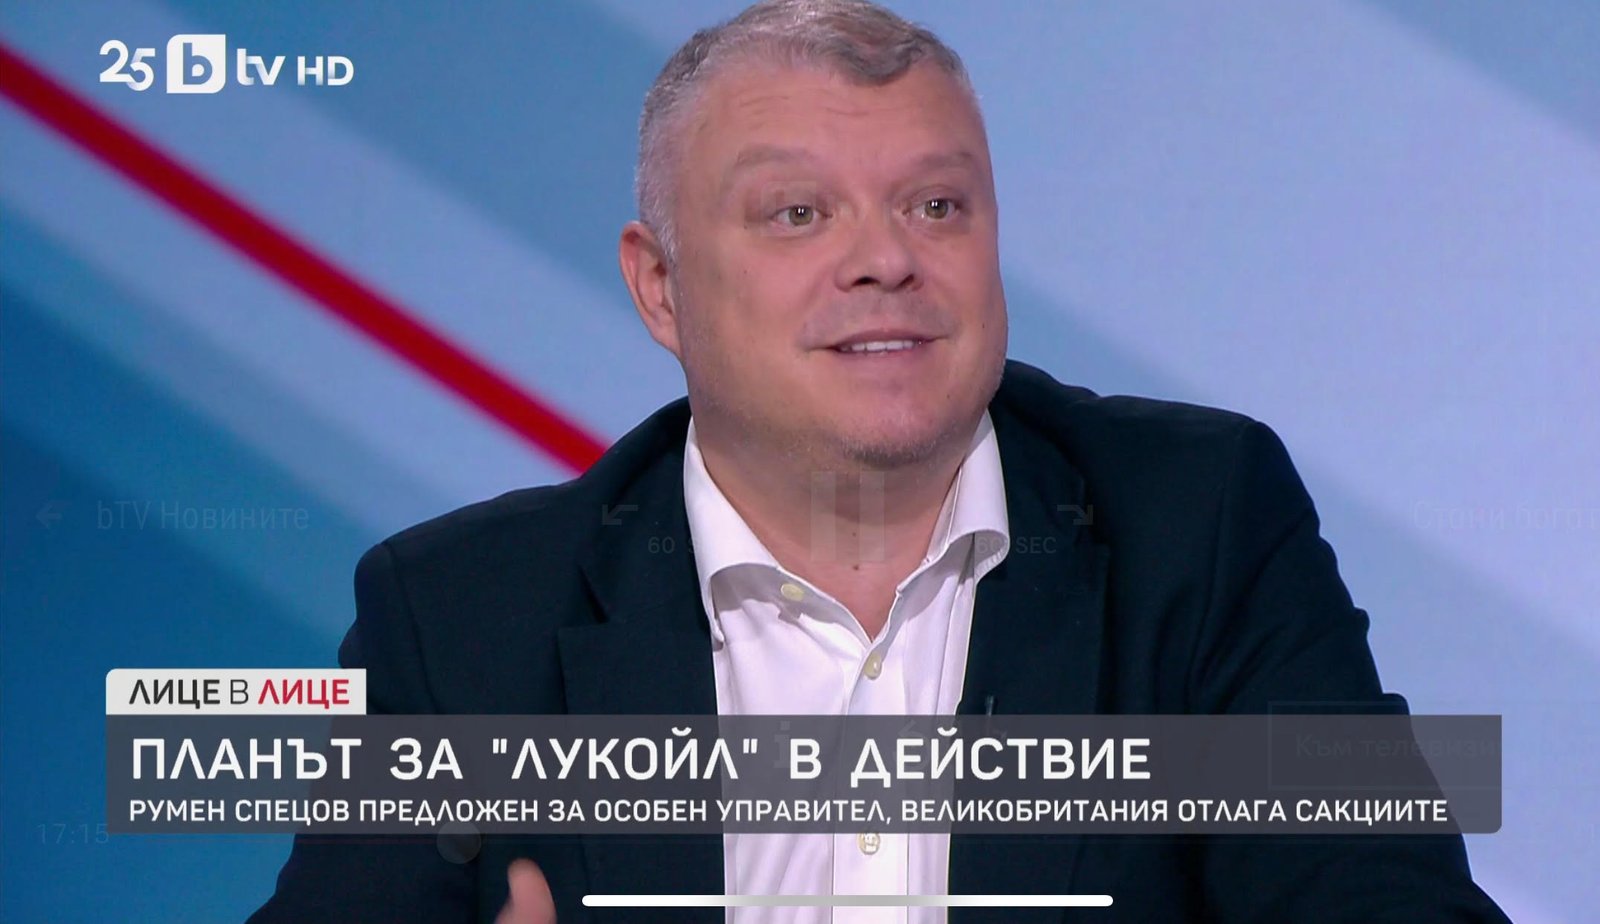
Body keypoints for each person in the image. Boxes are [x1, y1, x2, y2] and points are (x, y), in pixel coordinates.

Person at [250, 1, 1510, 921]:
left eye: (935, 205)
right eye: (798, 213)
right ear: (661, 288)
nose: (886, 260)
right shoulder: (461, 617)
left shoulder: (1201, 522)